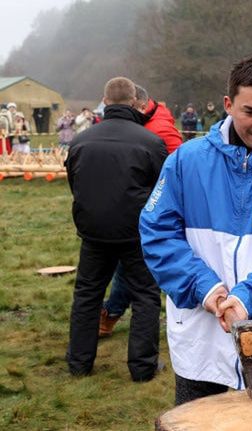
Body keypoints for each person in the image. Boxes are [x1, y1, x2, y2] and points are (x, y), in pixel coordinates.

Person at [139, 57, 252, 405]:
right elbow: (158, 233)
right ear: (228, 105)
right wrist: (205, 288)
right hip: (202, 337)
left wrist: (245, 299)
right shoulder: (185, 162)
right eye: (249, 111)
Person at [64, 77, 166, 381]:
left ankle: (79, 363)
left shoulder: (80, 141)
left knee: (87, 294)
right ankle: (142, 367)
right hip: (136, 232)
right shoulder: (150, 142)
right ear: (135, 102)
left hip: (93, 230)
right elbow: (163, 188)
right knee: (146, 296)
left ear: (104, 102)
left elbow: (75, 183)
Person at [99, 84, 183, 337]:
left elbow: (177, 171)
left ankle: (111, 314)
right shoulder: (148, 125)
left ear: (140, 104)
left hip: (153, 212)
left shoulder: (158, 130)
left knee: (135, 269)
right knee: (131, 267)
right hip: (138, 209)